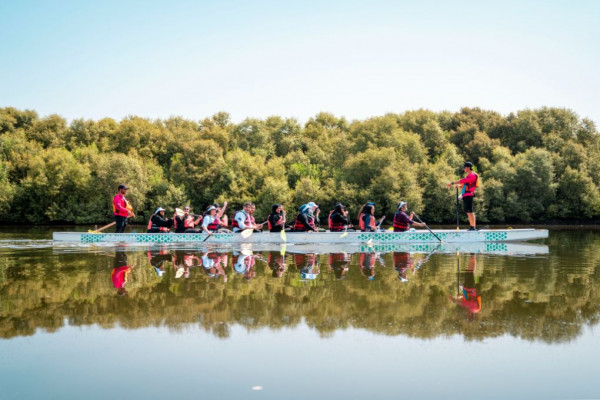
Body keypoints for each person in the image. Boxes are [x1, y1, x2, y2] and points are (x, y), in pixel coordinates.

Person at [447, 161, 479, 230]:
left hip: (469, 195)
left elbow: (463, 181)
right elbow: (466, 184)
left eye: (464, 167)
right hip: (466, 195)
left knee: (470, 211)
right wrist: (459, 186)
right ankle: (472, 227)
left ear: (468, 168)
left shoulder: (472, 175)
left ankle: (473, 227)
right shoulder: (469, 175)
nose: (464, 169)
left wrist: (452, 183)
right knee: (468, 211)